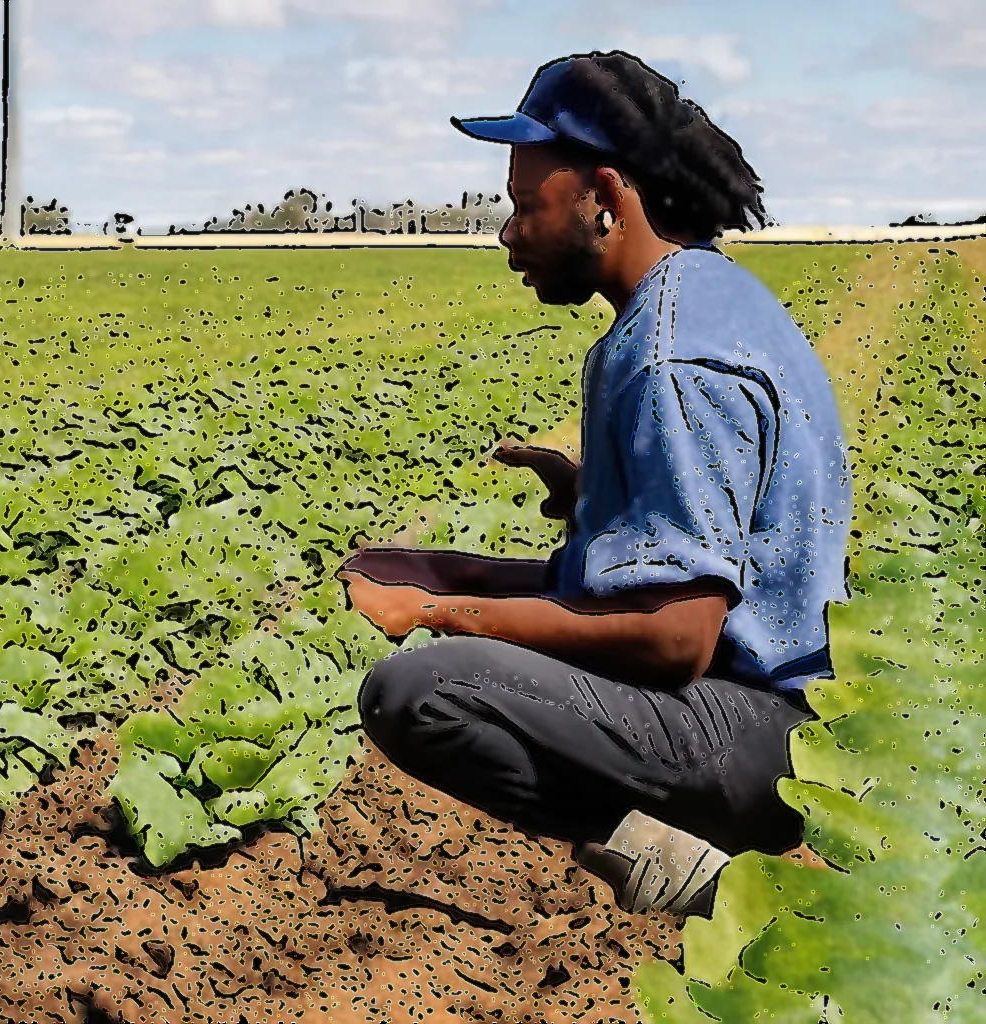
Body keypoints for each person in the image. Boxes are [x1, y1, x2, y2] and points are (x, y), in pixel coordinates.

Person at [337, 50, 851, 918]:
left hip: (765, 731)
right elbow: (687, 558)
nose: (507, 234)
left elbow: (674, 636)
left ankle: (737, 883)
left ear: (605, 199)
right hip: (774, 711)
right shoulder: (700, 296)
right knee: (466, 641)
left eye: (523, 206)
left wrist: (438, 614)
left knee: (418, 694)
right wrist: (462, 570)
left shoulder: (670, 357)